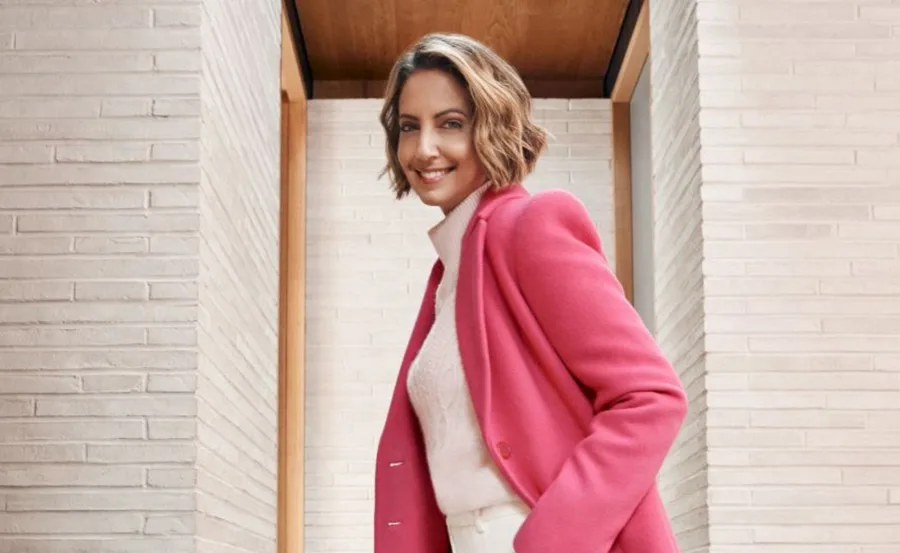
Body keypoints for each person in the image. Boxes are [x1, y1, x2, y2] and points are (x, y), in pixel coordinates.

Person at [373, 32, 688, 553]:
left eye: (450, 123)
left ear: (493, 127)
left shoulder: (529, 227)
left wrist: (550, 542)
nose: (424, 148)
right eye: (410, 127)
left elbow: (650, 397)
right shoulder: (448, 276)